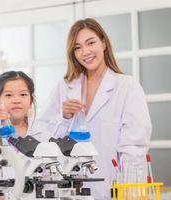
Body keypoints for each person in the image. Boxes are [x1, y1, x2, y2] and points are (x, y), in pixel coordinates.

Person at [36, 18, 152, 199]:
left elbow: (134, 147)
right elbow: (42, 138)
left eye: (91, 43)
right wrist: (64, 116)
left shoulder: (127, 86)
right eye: (78, 47)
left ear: (104, 43)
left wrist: (130, 192)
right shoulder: (65, 87)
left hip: (112, 189)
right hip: (69, 189)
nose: (85, 52)